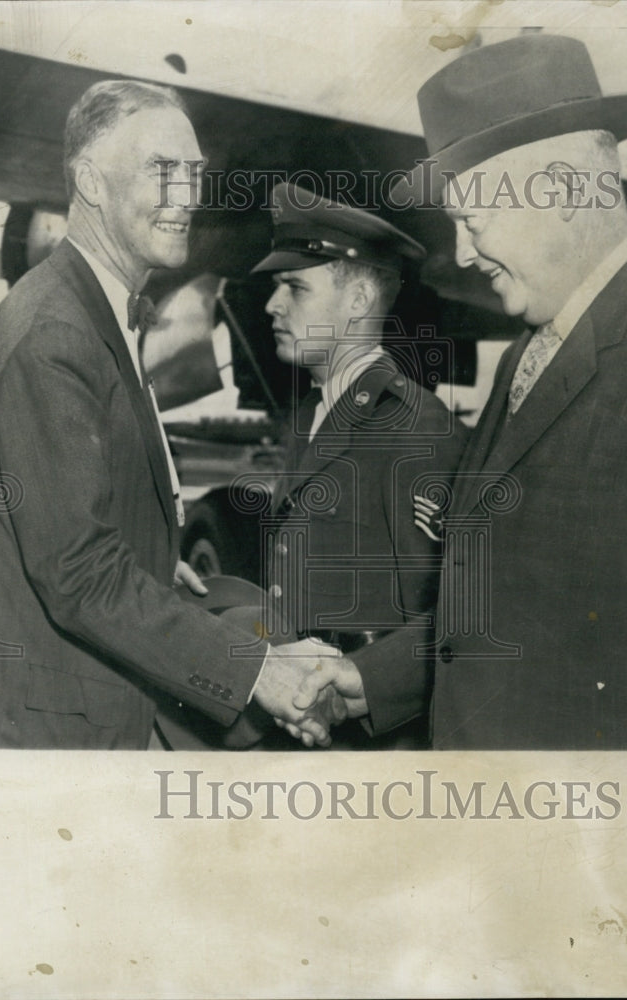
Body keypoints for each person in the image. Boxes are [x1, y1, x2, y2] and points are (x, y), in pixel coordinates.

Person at [295, 34, 627, 749]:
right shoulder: (523, 360)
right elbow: (521, 609)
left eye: (474, 221)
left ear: (568, 188)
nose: (464, 255)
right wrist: (374, 679)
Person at [0, 80, 341, 750]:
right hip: (28, 739)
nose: (189, 196)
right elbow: (80, 575)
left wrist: (148, 547)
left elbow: (68, 513)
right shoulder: (55, 334)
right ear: (89, 180)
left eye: (194, 172)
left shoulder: (94, 310)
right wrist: (254, 666)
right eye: (161, 170)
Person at [223, 182, 467, 748]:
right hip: (308, 729)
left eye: (294, 288)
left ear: (357, 301)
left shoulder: (415, 429)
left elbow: (454, 624)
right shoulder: (315, 414)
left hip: (373, 751)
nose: (270, 305)